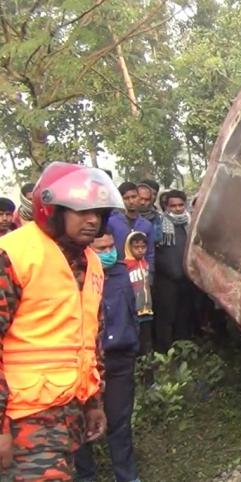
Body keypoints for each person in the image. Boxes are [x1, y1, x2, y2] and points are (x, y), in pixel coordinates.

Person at [0, 162, 123, 480]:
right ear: (52, 210)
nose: (93, 220)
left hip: (68, 411)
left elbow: (89, 340)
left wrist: (93, 403)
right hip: (22, 417)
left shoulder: (90, 261)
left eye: (98, 212)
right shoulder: (13, 255)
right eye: (81, 211)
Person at [74, 229, 141, 482]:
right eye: (101, 249)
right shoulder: (79, 276)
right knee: (81, 425)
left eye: (111, 246)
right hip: (86, 363)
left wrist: (133, 344)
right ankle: (85, 476)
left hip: (120, 358)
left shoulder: (124, 272)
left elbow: (135, 310)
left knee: (120, 423)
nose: (108, 252)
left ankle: (127, 476)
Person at [154, 190, 193, 351]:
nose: (177, 209)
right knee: (166, 316)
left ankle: (183, 349)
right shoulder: (159, 225)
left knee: (184, 315)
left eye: (180, 205)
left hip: (187, 278)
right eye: (173, 206)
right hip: (166, 279)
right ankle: (165, 351)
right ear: (166, 206)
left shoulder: (190, 224)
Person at [107, 182, 155, 276]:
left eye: (134, 197)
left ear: (139, 197)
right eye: (126, 198)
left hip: (140, 274)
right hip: (117, 273)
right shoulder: (111, 222)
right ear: (120, 199)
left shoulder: (147, 225)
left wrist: (150, 276)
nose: (131, 201)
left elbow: (150, 254)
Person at [125, 231, 154, 355]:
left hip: (146, 308)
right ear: (128, 247)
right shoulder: (126, 266)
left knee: (146, 338)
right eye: (136, 247)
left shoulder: (145, 263)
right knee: (134, 338)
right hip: (133, 311)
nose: (140, 250)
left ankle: (147, 363)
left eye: (143, 247)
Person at [136, 180, 162, 246]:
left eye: (154, 194)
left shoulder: (156, 216)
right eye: (141, 198)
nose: (143, 202)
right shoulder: (127, 215)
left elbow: (157, 238)